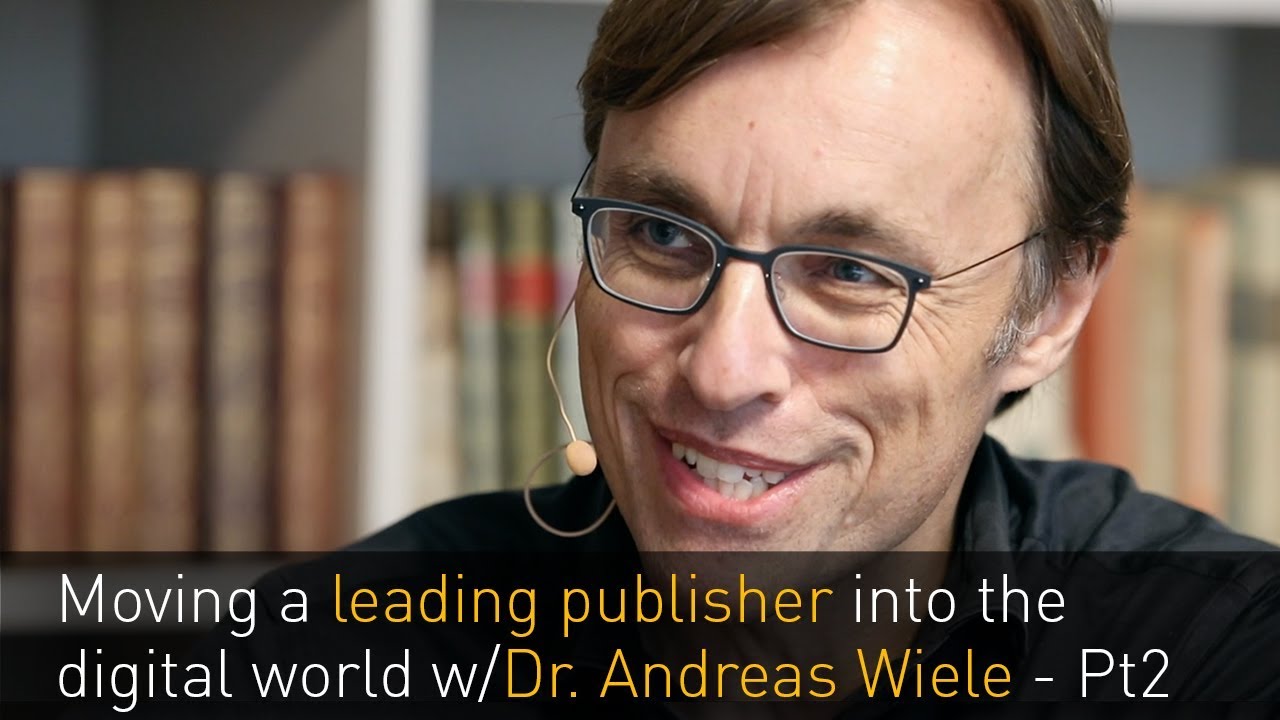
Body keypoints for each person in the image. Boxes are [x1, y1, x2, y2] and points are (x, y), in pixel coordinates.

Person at [178, 0, 1280, 715]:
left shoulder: (1215, 657)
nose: (721, 369)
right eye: (662, 235)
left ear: (1052, 306)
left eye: (848, 271)